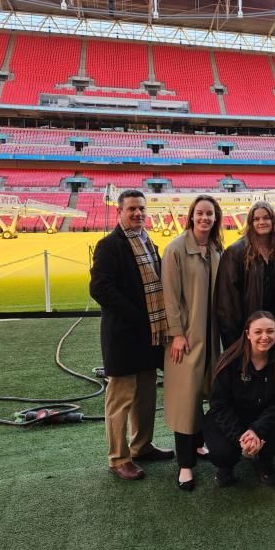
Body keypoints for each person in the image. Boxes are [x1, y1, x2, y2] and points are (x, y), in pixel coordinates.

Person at [89, 189, 173, 481]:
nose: (138, 213)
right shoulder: (109, 245)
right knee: (120, 400)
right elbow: (99, 288)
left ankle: (141, 446)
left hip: (150, 335)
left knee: (146, 396)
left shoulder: (148, 241)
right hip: (125, 335)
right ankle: (118, 458)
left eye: (141, 209)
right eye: (132, 209)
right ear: (120, 212)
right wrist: (135, 315)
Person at [161, 194, 223, 491]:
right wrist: (176, 334)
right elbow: (170, 297)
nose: (205, 218)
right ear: (191, 215)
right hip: (186, 339)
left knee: (206, 393)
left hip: (211, 340)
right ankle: (185, 465)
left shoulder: (214, 249)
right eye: (200, 213)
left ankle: (200, 445)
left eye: (209, 214)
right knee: (186, 401)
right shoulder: (175, 249)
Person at [203, 311, 275, 487]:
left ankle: (263, 460)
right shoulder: (230, 361)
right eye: (258, 331)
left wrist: (257, 431)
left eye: (270, 331)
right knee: (222, 453)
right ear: (247, 333)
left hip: (261, 419)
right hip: (229, 419)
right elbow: (219, 406)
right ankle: (226, 467)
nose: (264, 337)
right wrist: (240, 438)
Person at [216, 201, 275, 351]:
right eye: (256, 219)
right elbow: (226, 302)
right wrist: (235, 342)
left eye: (266, 218)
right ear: (250, 223)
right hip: (246, 336)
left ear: (273, 221)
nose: (262, 222)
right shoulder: (235, 252)